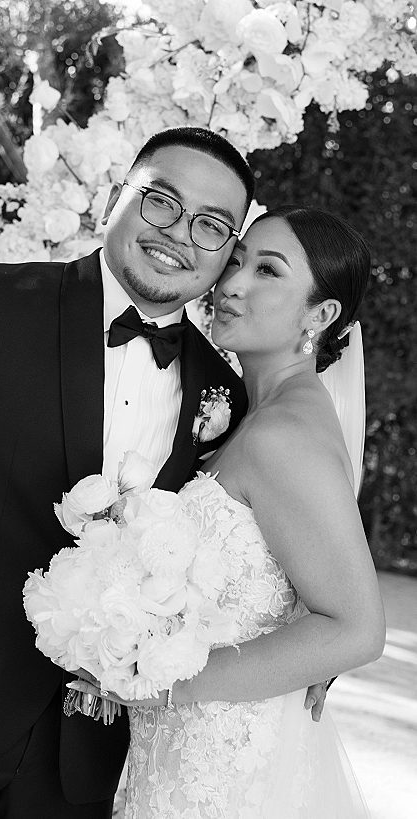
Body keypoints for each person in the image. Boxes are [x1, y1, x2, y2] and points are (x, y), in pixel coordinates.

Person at [0, 126, 275, 819]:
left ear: (226, 253)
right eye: (161, 202)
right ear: (118, 197)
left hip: (85, 761)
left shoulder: (224, 391)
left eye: (212, 225)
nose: (179, 234)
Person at [71, 205, 386, 818]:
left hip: (227, 764)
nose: (232, 283)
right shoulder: (255, 412)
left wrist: (154, 682)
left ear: (320, 316)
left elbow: (357, 628)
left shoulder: (284, 434)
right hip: (188, 746)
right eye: (236, 261)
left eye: (268, 271)